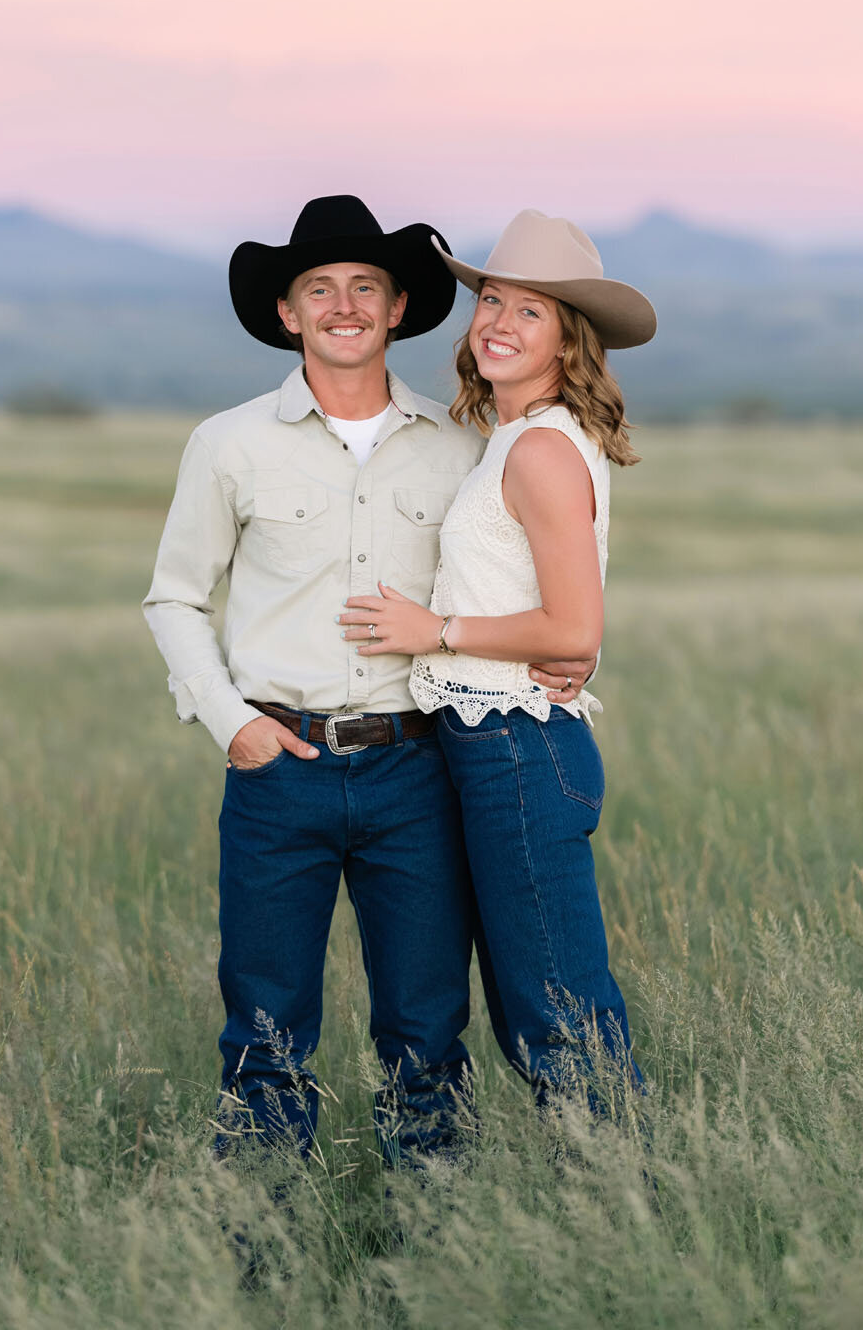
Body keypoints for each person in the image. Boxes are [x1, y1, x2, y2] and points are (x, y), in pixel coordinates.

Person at [142, 195, 592, 1162]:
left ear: (397, 310)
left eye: (365, 288)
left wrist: (562, 649)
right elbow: (173, 600)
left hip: (417, 771)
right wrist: (232, 723)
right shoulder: (228, 444)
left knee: (429, 1035)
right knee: (263, 1038)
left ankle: (435, 1260)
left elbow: (522, 578)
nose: (343, 305)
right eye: (319, 289)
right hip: (278, 769)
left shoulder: (460, 449)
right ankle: (256, 1265)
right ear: (286, 314)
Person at [338, 208, 656, 1108]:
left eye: (529, 313)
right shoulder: (514, 440)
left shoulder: (544, 447)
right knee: (533, 1016)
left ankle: (625, 1209)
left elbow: (573, 631)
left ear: (569, 340)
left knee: (558, 1016)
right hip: (490, 747)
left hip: (520, 749)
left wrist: (434, 631)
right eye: (492, 304)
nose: (498, 325)